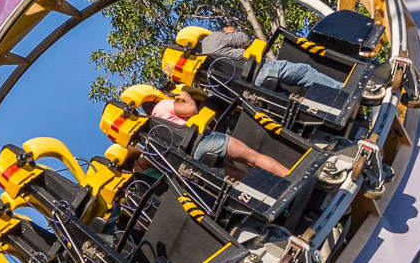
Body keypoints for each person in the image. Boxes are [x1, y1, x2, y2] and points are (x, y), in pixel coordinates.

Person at [198, 25, 385, 103]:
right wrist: (230, 32)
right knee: (304, 72)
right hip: (260, 69)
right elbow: (244, 38)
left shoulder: (202, 75)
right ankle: (346, 92)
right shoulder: (211, 40)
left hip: (251, 90)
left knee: (293, 101)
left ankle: (333, 103)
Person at [150, 88, 290, 178]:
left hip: (192, 157)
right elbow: (191, 108)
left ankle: (265, 197)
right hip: (204, 139)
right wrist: (186, 96)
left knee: (241, 178)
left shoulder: (152, 131)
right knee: (253, 158)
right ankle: (288, 177)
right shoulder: (162, 105)